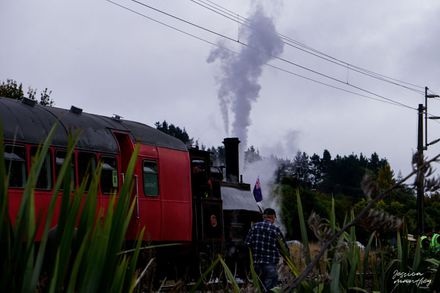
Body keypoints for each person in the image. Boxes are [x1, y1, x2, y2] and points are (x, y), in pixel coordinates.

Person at [245, 208, 288, 292]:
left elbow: (247, 244)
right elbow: (283, 248)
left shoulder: (254, 227)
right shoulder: (275, 229)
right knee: (270, 290)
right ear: (273, 217)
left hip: (256, 265)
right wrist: (286, 260)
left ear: (263, 216)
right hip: (270, 265)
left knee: (258, 289)